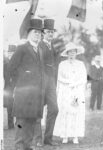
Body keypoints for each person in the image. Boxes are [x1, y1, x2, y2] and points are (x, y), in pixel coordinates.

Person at [8, 18, 44, 150]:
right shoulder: (22, 48)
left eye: (40, 33)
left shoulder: (39, 50)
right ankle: (18, 147)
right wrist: (24, 77)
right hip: (23, 93)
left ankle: (27, 146)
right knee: (22, 121)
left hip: (36, 94)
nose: (37, 35)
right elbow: (11, 68)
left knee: (32, 121)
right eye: (35, 32)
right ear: (29, 33)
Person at [53, 42, 87, 144]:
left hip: (77, 90)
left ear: (76, 53)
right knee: (65, 112)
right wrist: (68, 83)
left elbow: (83, 78)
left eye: (74, 52)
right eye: (70, 52)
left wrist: (75, 84)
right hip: (66, 91)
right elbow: (59, 78)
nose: (72, 54)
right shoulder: (62, 64)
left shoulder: (81, 64)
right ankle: (65, 136)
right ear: (67, 53)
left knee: (76, 112)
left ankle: (75, 136)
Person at [34, 19, 59, 147]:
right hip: (40, 82)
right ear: (43, 33)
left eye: (52, 32)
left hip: (51, 84)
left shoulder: (52, 47)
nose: (50, 34)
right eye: (48, 32)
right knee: (38, 110)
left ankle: (48, 138)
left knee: (54, 109)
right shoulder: (39, 46)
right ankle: (38, 139)